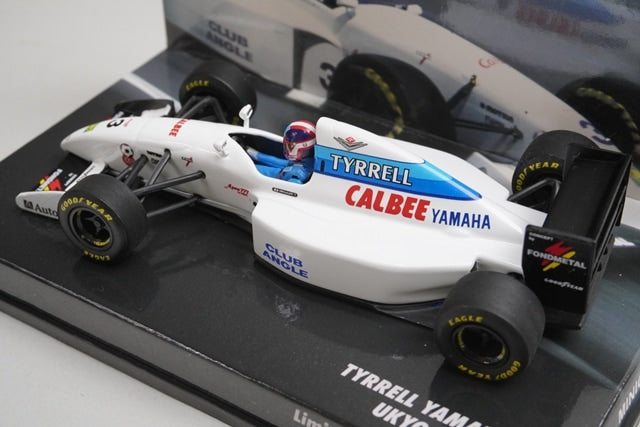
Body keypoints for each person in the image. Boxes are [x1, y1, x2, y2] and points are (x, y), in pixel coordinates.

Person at [247, 120, 316, 184]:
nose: (288, 148)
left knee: (246, 169)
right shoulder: (306, 162)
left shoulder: (297, 176)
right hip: (280, 174)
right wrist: (251, 152)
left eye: (291, 146)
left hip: (275, 180)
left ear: (302, 147)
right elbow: (279, 162)